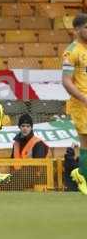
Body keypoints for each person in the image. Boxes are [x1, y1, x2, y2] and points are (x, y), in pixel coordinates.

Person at [62, 13, 87, 195]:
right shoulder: (71, 51)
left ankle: (81, 173)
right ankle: (83, 177)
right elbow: (66, 81)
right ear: (76, 30)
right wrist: (84, 99)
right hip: (82, 103)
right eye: (86, 27)